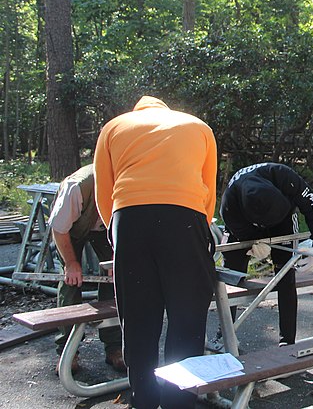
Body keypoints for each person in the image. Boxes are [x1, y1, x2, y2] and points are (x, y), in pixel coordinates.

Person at [94, 96, 218, 409]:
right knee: (187, 317)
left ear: (137, 112)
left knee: (137, 319)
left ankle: (143, 400)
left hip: (130, 217)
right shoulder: (198, 126)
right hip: (185, 216)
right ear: (166, 110)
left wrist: (117, 233)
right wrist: (197, 228)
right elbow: (208, 189)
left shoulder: (113, 127)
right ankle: (179, 402)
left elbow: (104, 192)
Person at [219, 162, 313, 346]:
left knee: (285, 272)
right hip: (245, 222)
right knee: (232, 271)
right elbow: (239, 231)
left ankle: (287, 340)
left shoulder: (284, 177)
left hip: (284, 220)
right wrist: (252, 241)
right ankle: (224, 334)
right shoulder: (230, 205)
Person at [49, 164, 124, 374]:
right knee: (71, 281)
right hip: (71, 227)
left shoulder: (129, 185)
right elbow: (59, 229)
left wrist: (116, 259)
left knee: (116, 277)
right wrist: (71, 263)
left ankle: (115, 347)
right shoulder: (77, 187)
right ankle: (67, 352)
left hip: (105, 228)